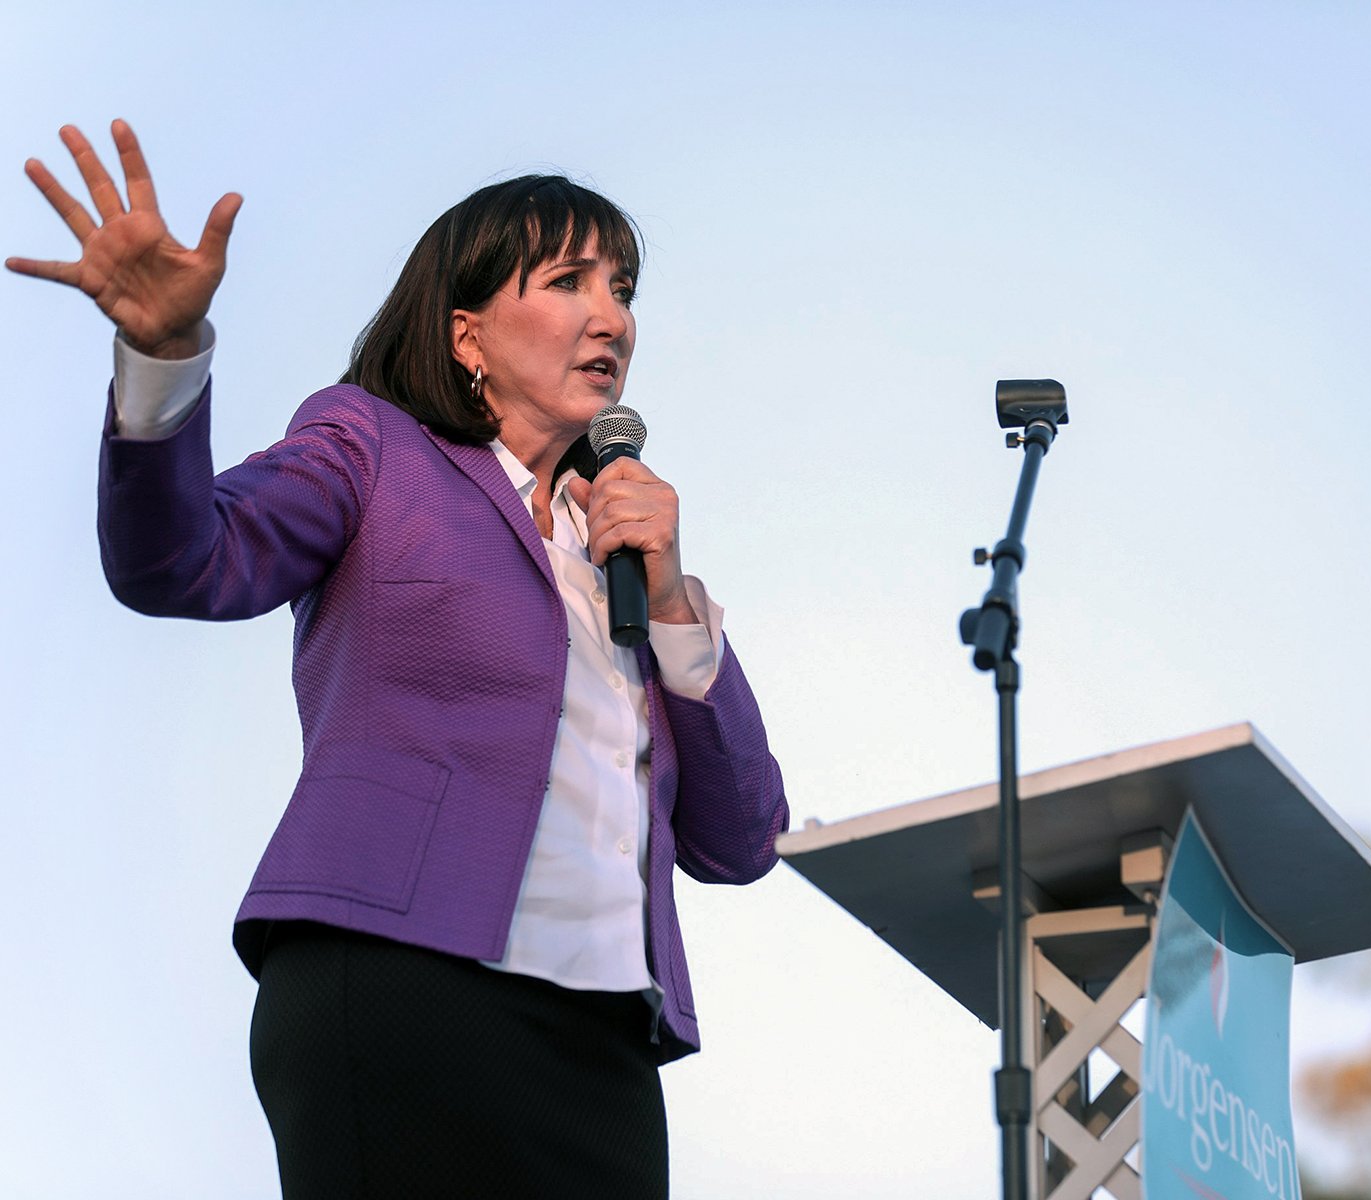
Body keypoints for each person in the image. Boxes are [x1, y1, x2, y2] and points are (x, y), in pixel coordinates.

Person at [8, 119, 789, 1199]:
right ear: (467, 334)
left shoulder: (621, 556)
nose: (611, 315)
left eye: (623, 289)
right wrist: (164, 357)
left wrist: (667, 601)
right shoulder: (372, 448)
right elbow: (182, 562)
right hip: (402, 984)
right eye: (568, 280)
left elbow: (742, 840)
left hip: (606, 1043)